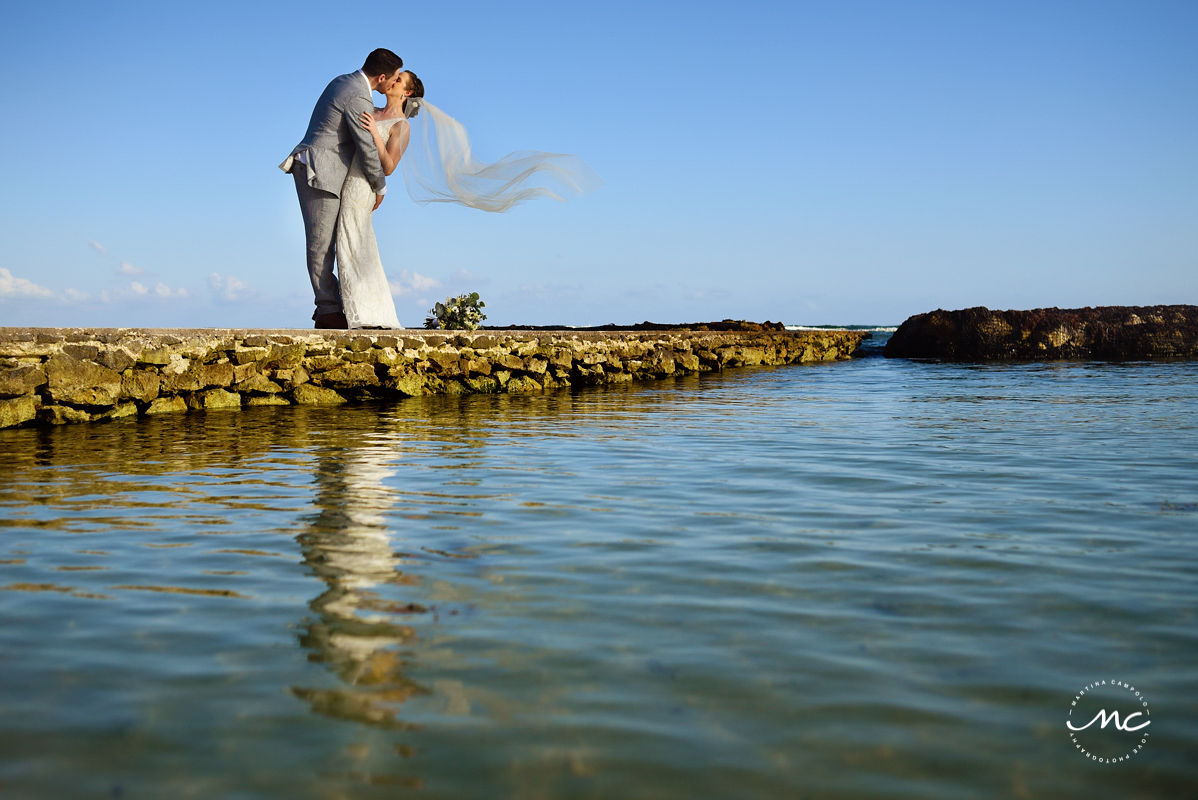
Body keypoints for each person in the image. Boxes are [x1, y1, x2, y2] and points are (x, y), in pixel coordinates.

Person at [280, 49, 403, 329]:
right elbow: (367, 148)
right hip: (320, 171)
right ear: (381, 77)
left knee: (329, 242)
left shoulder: (343, 80)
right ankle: (327, 311)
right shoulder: (357, 95)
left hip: (325, 170)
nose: (394, 83)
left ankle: (332, 306)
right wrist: (380, 187)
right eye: (393, 78)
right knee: (321, 243)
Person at [335, 71, 424, 329]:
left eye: (399, 81)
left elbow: (389, 166)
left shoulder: (401, 125)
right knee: (348, 243)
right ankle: (355, 310)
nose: (393, 81)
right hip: (345, 179)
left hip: (363, 187)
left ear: (406, 93)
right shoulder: (370, 109)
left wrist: (375, 132)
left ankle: (363, 314)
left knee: (354, 240)